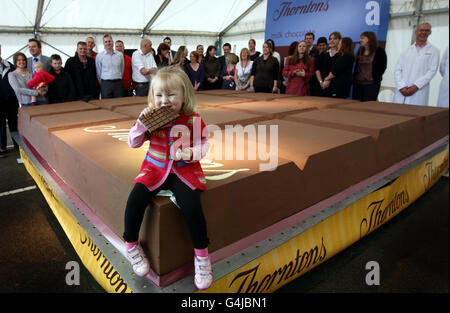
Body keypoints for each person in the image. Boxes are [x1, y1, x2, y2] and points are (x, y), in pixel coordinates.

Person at [124, 66, 212, 290]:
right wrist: (141, 124)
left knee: (192, 206)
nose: (165, 100)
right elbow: (133, 142)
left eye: (172, 94)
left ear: (184, 95)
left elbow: (204, 144)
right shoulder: (150, 119)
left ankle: (202, 256)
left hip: (184, 170)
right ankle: (131, 245)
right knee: (135, 199)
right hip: (154, 168)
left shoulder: (193, 119)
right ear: (152, 97)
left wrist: (191, 153)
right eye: (159, 95)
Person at [393, 23, 440, 106]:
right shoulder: (407, 50)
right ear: (416, 32)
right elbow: (398, 69)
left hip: (419, 91)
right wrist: (401, 86)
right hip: (402, 90)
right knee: (397, 114)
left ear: (430, 33)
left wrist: (416, 86)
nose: (423, 32)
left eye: (427, 30)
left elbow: (432, 71)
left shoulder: (434, 51)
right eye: (421, 30)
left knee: (415, 114)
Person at [353, 31, 387, 102]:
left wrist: (376, 76)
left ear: (369, 39)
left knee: (368, 106)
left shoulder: (379, 51)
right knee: (355, 106)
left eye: (362, 38)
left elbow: (383, 66)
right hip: (358, 84)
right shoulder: (360, 50)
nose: (360, 40)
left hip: (372, 85)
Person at [0, 43, 20, 157]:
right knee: (0, 125)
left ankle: (18, 146)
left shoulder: (9, 65)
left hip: (11, 100)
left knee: (14, 123)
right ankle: (2, 148)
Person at [96, 34, 125, 99]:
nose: (108, 43)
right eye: (106, 42)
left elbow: (122, 69)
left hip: (118, 83)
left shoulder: (120, 55)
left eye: (109, 41)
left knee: (119, 103)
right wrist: (103, 83)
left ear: (112, 42)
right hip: (106, 84)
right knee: (106, 104)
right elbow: (98, 72)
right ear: (103, 43)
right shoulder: (99, 56)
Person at [315, 32, 341, 97]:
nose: (332, 41)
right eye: (330, 39)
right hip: (323, 86)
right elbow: (317, 69)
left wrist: (328, 79)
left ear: (339, 40)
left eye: (334, 38)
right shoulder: (323, 54)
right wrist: (321, 82)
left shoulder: (341, 54)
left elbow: (338, 70)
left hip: (337, 86)